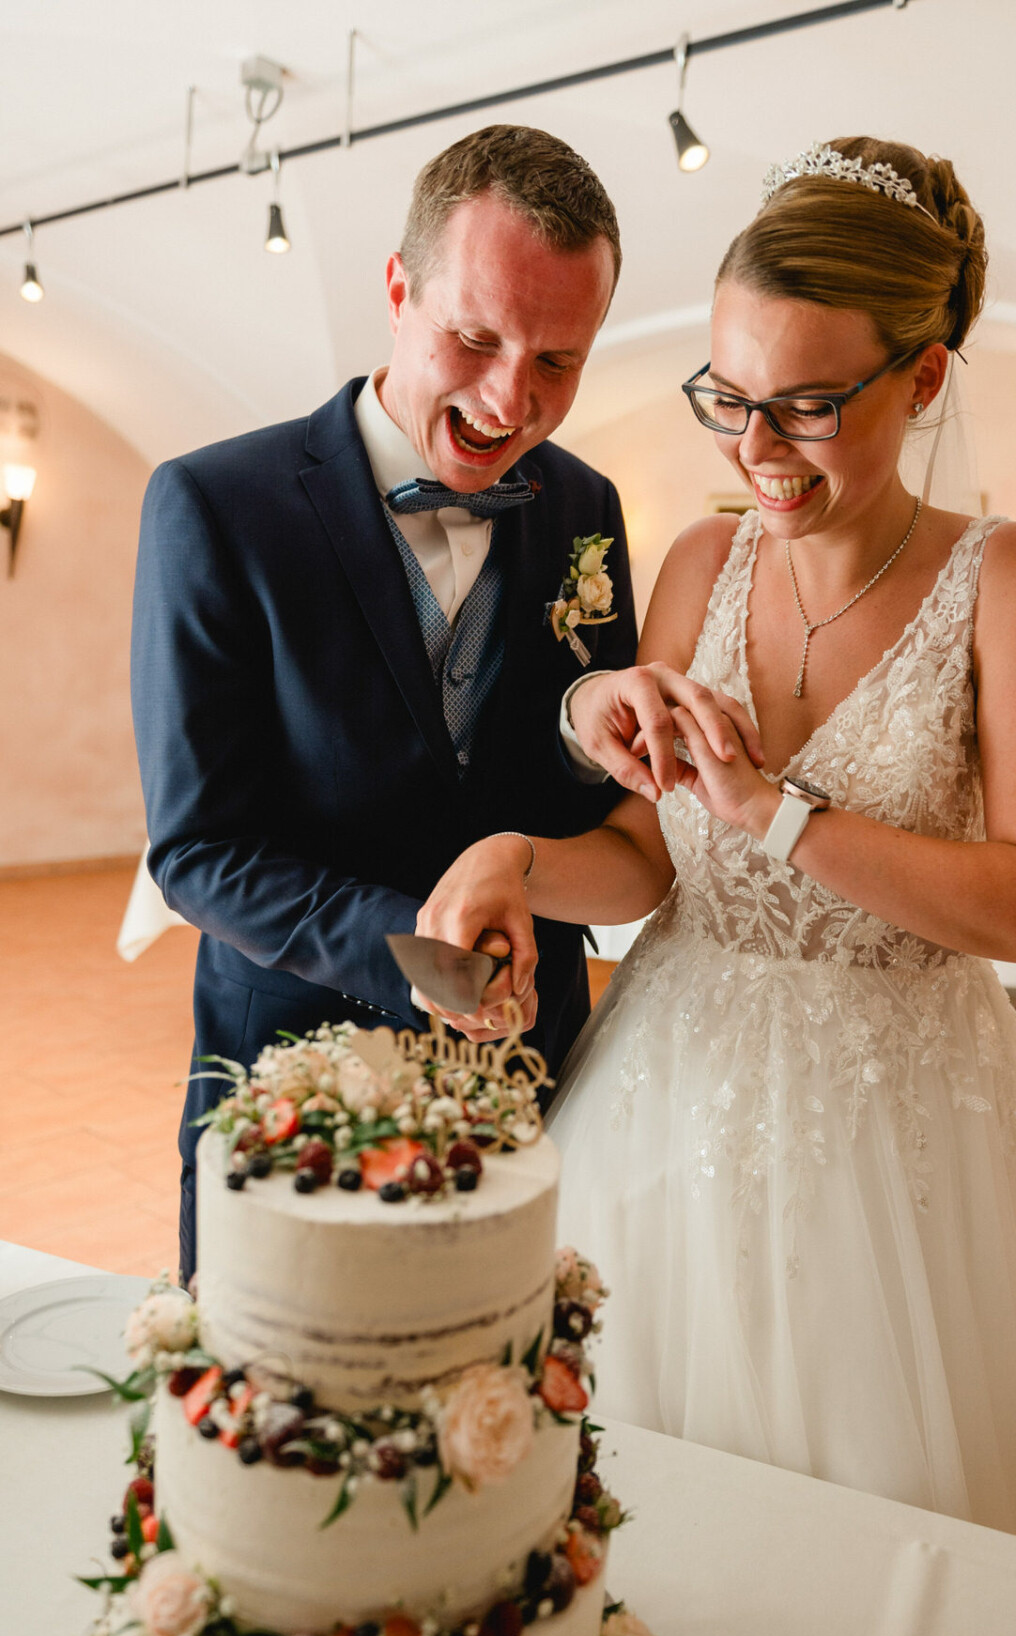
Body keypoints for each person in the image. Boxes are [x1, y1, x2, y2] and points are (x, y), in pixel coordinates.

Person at [417, 138, 1016, 1565]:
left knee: (886, 1544)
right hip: (666, 1090)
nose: (757, 449)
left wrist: (783, 809)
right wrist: (520, 858)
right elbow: (647, 855)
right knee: (619, 1504)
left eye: (808, 406)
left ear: (923, 379)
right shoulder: (699, 561)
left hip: (901, 1128)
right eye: (730, 399)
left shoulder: (1004, 576)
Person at [132, 124, 749, 1283]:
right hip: (295, 1067)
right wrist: (423, 954)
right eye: (475, 338)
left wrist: (585, 727)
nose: (512, 398)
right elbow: (201, 852)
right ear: (399, 289)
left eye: (558, 361)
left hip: (535, 1079)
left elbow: (555, 771)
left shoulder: (584, 506)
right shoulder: (216, 505)